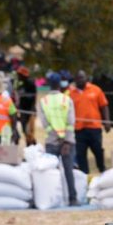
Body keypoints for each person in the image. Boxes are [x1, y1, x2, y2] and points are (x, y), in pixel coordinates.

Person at [38, 72, 77, 206]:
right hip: (68, 142)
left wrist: (56, 137)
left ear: (48, 84)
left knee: (50, 172)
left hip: (51, 141)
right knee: (68, 171)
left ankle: (52, 200)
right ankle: (73, 199)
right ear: (60, 84)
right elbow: (71, 122)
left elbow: (45, 124)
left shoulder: (44, 101)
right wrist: (65, 140)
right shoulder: (67, 100)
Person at [70, 70, 110, 174]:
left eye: (82, 77)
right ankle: (85, 175)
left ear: (86, 78)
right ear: (75, 80)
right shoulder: (71, 93)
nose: (80, 80)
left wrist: (107, 121)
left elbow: (104, 106)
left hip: (94, 128)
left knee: (98, 151)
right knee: (81, 154)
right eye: (78, 78)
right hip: (79, 130)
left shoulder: (96, 90)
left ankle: (102, 170)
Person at [14, 65, 38, 146]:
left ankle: (32, 147)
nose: (18, 76)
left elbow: (33, 99)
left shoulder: (30, 84)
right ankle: (31, 147)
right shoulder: (21, 85)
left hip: (29, 112)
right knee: (25, 131)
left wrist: (31, 113)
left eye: (19, 75)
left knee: (29, 132)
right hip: (23, 111)